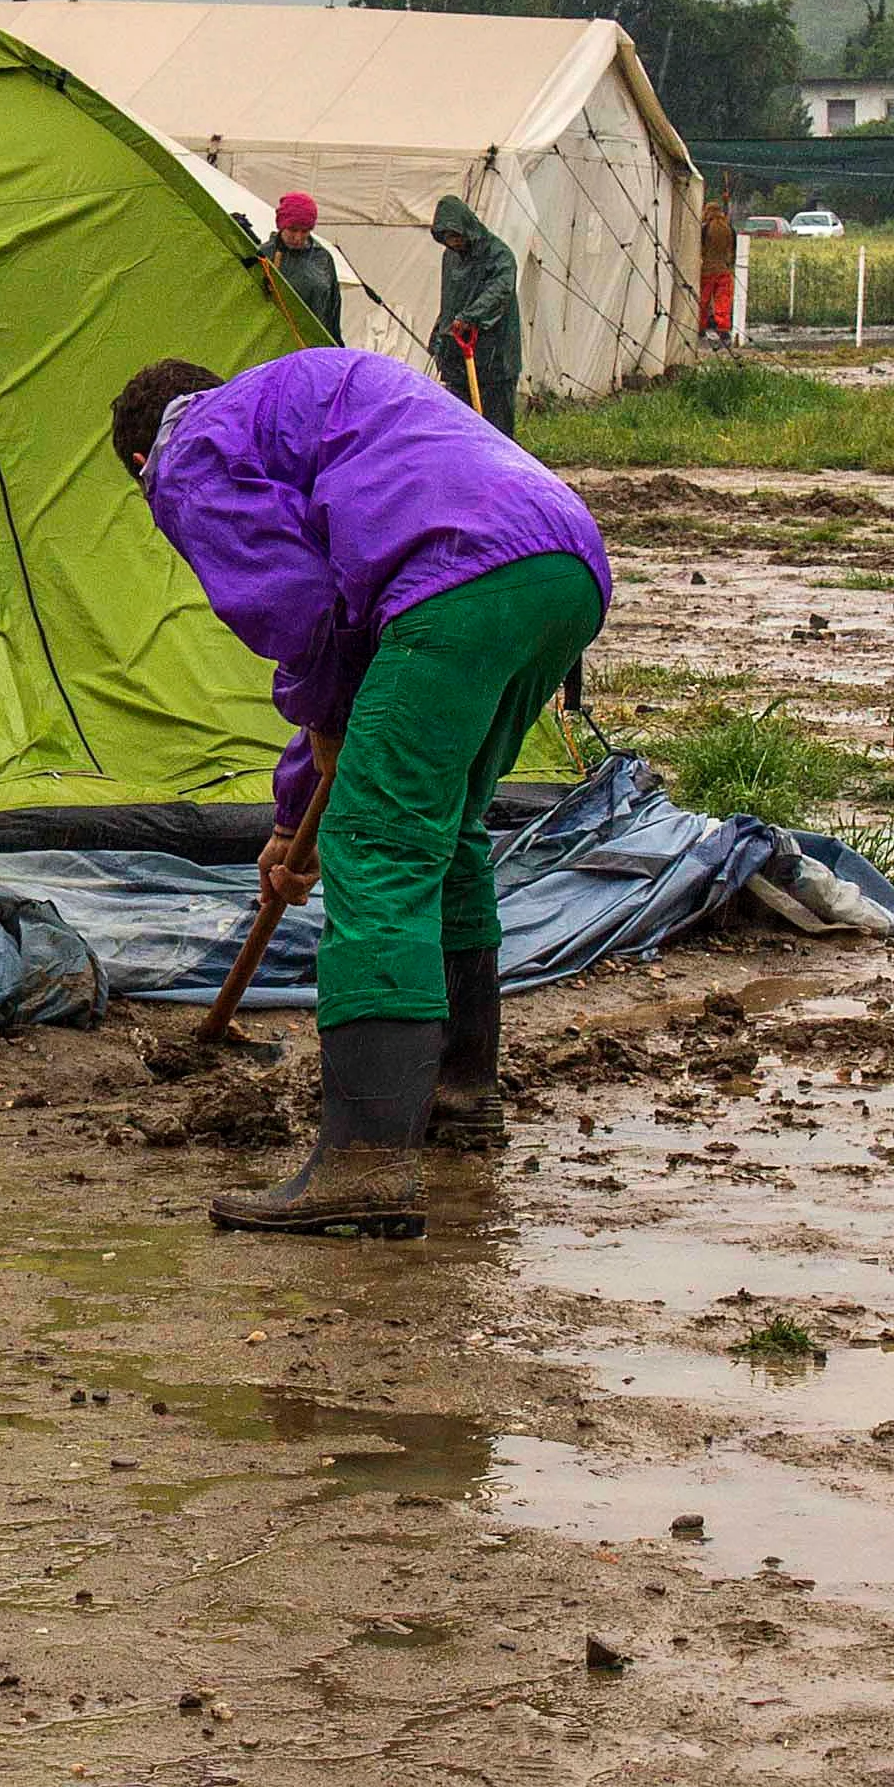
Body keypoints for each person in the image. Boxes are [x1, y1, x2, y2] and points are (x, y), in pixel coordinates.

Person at [120, 347, 608, 1237]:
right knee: (442, 826)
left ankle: (365, 1163)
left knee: (379, 846)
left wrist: (321, 771)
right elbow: (349, 656)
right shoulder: (284, 403)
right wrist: (288, 814)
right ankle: (459, 1093)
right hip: (561, 562)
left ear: (141, 465)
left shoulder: (186, 454)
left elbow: (304, 614)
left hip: (454, 574)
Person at [431, 195, 522, 435]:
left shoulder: (498, 255)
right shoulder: (451, 258)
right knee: (460, 426)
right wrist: (441, 333)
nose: (453, 243)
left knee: (496, 427)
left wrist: (471, 317)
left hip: (494, 357)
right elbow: (449, 299)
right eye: (447, 239)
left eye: (456, 236)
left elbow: (499, 291)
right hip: (459, 357)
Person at [259, 190, 345, 341]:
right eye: (292, 229)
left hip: (313, 345)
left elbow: (333, 309)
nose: (298, 237)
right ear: (281, 226)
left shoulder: (322, 258)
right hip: (275, 343)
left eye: (305, 231)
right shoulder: (264, 256)